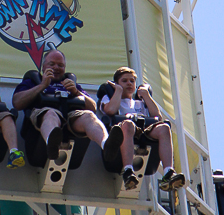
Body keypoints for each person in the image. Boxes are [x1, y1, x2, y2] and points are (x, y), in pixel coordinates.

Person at [12, 50, 134, 189]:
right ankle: (51, 143)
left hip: (71, 116)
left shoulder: (71, 83)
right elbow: (17, 102)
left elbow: (92, 107)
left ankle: (106, 144)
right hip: (44, 113)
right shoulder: (33, 81)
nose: (56, 68)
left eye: (60, 65)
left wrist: (76, 92)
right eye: (52, 64)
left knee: (89, 116)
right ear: (43, 66)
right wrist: (42, 86)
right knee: (51, 114)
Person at [100, 67, 186, 191]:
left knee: (164, 128)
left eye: (132, 81)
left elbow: (157, 116)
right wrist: (117, 91)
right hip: (124, 130)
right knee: (128, 124)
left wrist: (145, 95)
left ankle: (168, 173)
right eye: (124, 81)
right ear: (117, 84)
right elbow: (110, 110)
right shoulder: (110, 98)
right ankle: (128, 170)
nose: (129, 83)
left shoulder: (140, 103)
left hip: (143, 131)